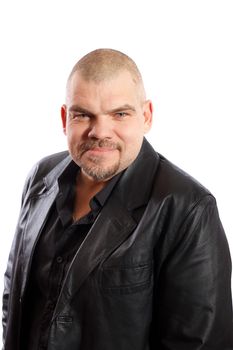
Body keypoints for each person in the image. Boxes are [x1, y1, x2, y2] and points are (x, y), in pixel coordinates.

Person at [2, 48, 233, 350]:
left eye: (120, 114)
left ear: (146, 116)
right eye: (83, 114)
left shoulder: (188, 208)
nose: (100, 131)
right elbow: (14, 297)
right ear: (64, 118)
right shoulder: (40, 177)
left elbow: (199, 344)